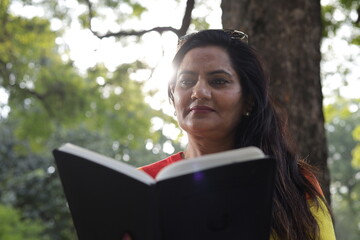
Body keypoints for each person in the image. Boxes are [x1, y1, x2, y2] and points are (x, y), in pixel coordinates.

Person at [136, 29, 336, 239]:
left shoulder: (293, 184)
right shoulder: (140, 185)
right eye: (186, 82)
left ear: (248, 99)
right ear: (173, 97)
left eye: (219, 81)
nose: (199, 92)